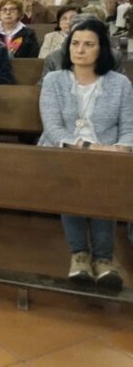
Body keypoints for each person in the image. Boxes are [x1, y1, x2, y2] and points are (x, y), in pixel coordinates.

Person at [38, 18, 133, 288]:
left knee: (105, 178)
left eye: (88, 44)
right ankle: (79, 254)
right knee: (74, 174)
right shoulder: (54, 80)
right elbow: (54, 129)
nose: (79, 50)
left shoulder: (120, 84)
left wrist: (121, 149)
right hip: (63, 152)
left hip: (109, 156)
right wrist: (90, 148)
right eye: (75, 44)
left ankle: (103, 258)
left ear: (102, 49)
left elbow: (129, 128)